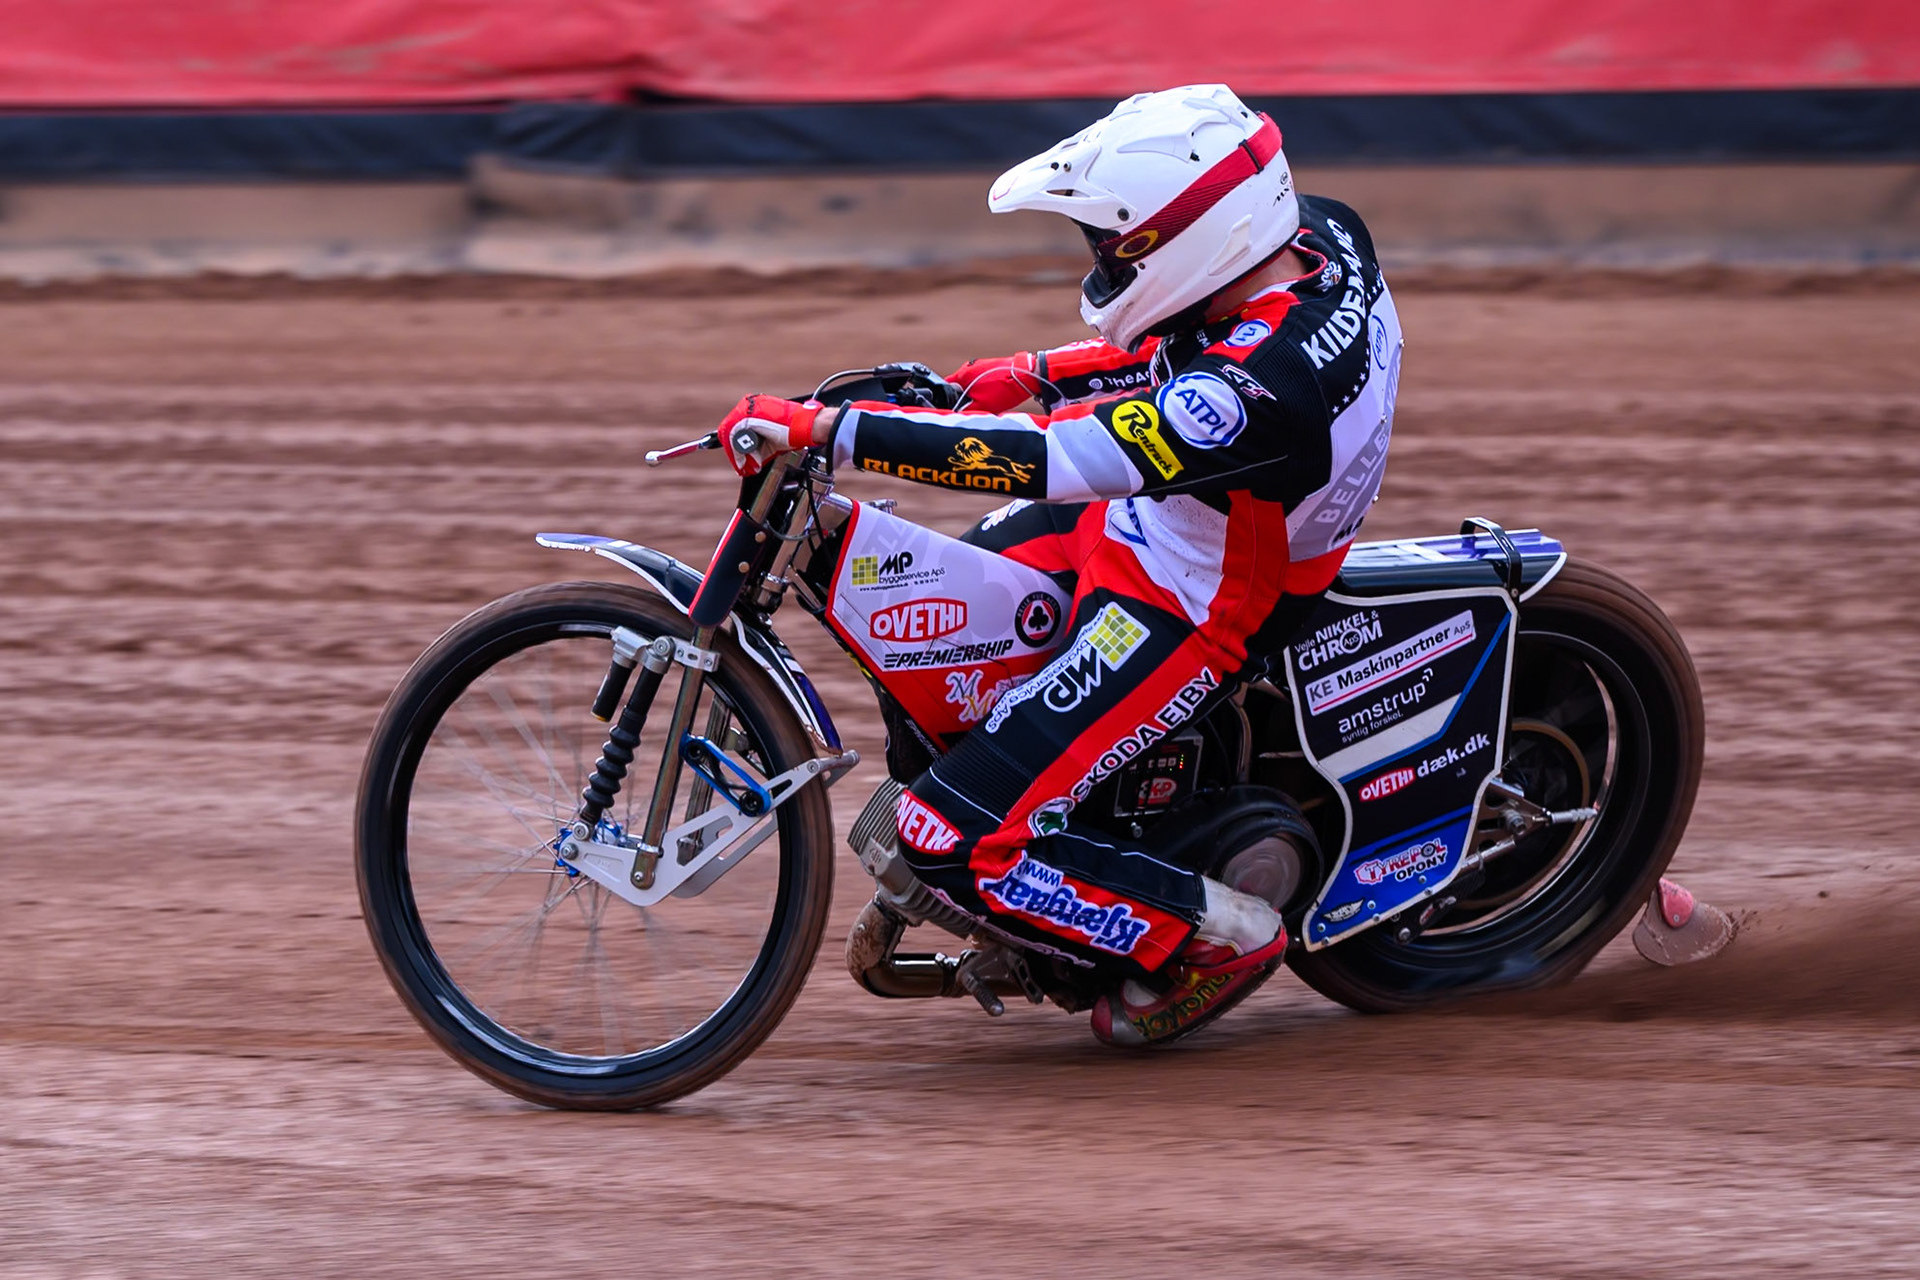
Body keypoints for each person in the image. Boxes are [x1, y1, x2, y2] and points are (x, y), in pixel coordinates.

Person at [714, 84, 1403, 1046]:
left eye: (1118, 248)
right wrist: (1018, 374)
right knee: (932, 641)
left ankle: (1221, 936)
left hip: (1198, 599)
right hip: (1163, 514)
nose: (1102, 264)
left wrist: (839, 434)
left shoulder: (1264, 390)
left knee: (948, 838)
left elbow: (1069, 457)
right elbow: (1183, 356)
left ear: (1201, 234)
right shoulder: (1318, 236)